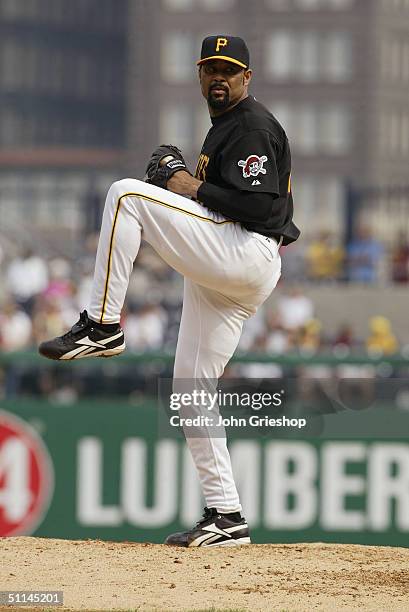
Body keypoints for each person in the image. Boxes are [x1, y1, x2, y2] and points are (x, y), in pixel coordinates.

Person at [39, 35, 300, 546]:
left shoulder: (251, 125)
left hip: (246, 251)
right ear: (200, 76)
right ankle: (227, 515)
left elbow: (260, 208)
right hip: (227, 271)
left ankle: (103, 324)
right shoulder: (224, 126)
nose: (219, 77)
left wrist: (182, 183)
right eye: (211, 69)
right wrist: (186, 184)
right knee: (190, 392)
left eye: (230, 69)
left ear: (248, 77)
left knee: (126, 195)